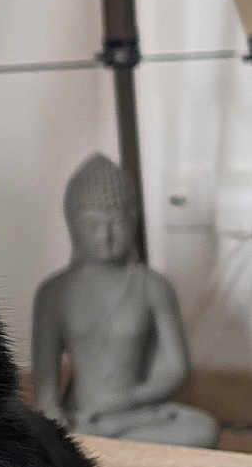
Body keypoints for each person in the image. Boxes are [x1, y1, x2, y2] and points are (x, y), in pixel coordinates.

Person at [33, 153, 218, 447]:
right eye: (93, 225)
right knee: (45, 436)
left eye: (116, 223)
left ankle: (107, 447)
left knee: (201, 429)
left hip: (137, 414)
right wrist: (55, 416)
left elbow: (176, 368)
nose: (105, 236)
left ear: (133, 221)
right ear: (73, 225)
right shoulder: (54, 293)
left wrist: (128, 398)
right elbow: (46, 389)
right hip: (84, 416)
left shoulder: (151, 285)